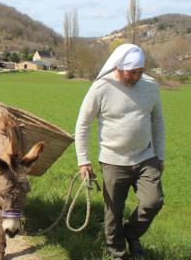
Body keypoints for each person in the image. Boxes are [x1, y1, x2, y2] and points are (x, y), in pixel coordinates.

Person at [75, 44, 165, 260]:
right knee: (113, 212)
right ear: (119, 67)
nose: (135, 77)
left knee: (154, 201)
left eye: (140, 72)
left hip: (146, 157)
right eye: (131, 72)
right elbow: (83, 125)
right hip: (113, 160)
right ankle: (117, 253)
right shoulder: (101, 88)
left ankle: (131, 234)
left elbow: (158, 122)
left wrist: (160, 156)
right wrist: (83, 160)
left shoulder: (150, 86)